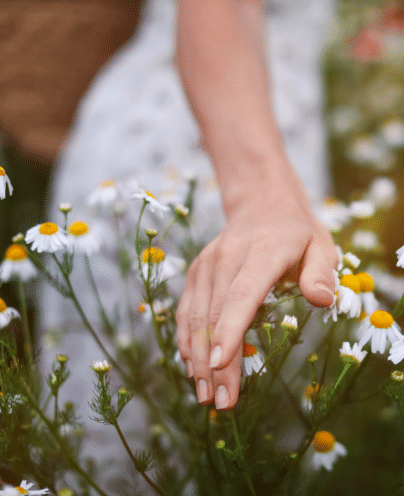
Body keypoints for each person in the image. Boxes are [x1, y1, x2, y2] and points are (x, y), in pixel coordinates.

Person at [40, 0, 338, 491]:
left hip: (265, 157)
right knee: (133, 458)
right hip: (187, 162)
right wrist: (261, 194)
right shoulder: (254, 184)